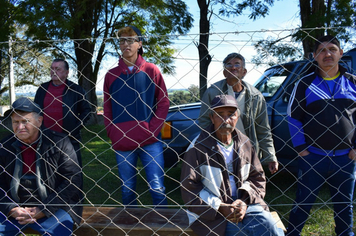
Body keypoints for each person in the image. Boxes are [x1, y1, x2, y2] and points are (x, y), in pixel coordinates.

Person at [181, 94, 284, 236]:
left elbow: (257, 178)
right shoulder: (197, 148)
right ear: (211, 118)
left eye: (231, 114)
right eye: (219, 115)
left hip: (245, 205)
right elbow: (189, 189)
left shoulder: (245, 143)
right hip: (210, 213)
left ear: (237, 118)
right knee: (242, 232)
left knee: (270, 226)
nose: (226, 120)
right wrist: (220, 206)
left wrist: (243, 201)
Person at [286, 35, 356, 236]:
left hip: (346, 158)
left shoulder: (353, 82)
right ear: (314, 56)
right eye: (322, 51)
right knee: (303, 203)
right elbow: (293, 117)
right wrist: (301, 149)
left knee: (345, 205)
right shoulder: (305, 83)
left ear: (340, 54)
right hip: (313, 157)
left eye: (332, 49)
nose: (328, 54)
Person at [103, 26, 169, 206]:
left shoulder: (151, 70)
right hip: (122, 141)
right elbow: (107, 107)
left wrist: (153, 129)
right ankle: (129, 226)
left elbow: (163, 102)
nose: (126, 44)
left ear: (139, 44)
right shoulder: (111, 75)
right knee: (127, 188)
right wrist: (112, 131)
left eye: (130, 40)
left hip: (150, 140)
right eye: (122, 40)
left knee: (157, 187)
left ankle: (162, 226)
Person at [0, 97, 82, 236]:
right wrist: (11, 209)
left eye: (25, 121)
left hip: (53, 207)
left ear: (39, 121)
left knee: (60, 232)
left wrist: (44, 209)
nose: (20, 127)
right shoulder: (4, 146)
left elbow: (72, 180)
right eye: (16, 122)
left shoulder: (59, 142)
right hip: (14, 208)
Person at [199, 53, 279, 174]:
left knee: (247, 185)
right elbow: (204, 121)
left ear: (244, 72)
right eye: (229, 65)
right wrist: (212, 146)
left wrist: (270, 156)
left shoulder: (255, 96)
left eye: (237, 64)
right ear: (224, 72)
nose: (233, 67)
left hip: (247, 150)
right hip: (221, 149)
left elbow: (263, 129)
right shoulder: (213, 92)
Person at [34, 58, 91, 167]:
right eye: (51, 68)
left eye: (57, 69)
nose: (53, 71)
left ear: (66, 72)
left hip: (69, 139)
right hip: (45, 139)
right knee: (47, 171)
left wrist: (75, 128)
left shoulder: (75, 90)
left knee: (72, 171)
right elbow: (35, 110)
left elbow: (86, 111)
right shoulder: (42, 89)